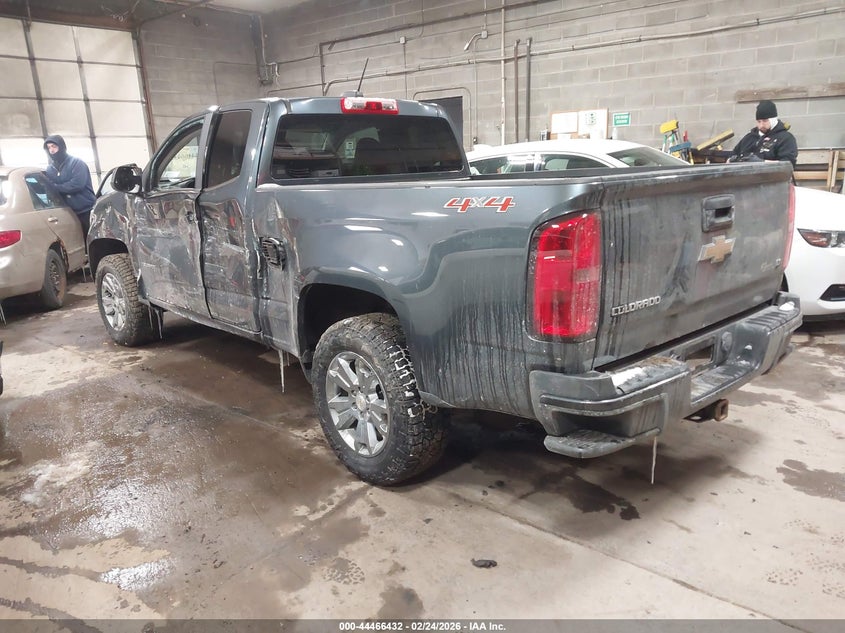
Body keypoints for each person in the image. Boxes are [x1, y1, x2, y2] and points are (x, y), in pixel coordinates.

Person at [42, 134, 96, 238]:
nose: (51, 150)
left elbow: (77, 185)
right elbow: (48, 189)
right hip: (66, 213)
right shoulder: (50, 169)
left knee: (91, 240)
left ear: (61, 146)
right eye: (49, 148)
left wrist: (54, 188)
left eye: (54, 146)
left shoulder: (77, 163)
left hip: (85, 211)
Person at [729, 100, 798, 166]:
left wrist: (762, 162)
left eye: (765, 121)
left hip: (771, 176)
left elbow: (788, 164)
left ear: (773, 120)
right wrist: (732, 160)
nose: (761, 125)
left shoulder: (785, 138)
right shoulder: (749, 138)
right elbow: (733, 155)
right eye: (759, 121)